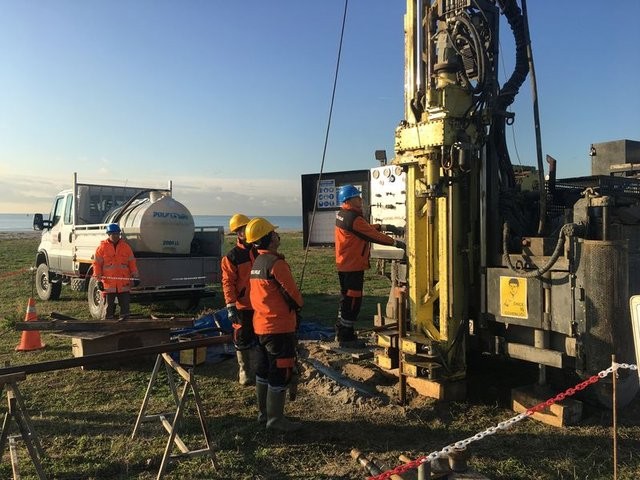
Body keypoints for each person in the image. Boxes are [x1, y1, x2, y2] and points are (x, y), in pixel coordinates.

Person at [246, 217, 303, 432]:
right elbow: (293, 294)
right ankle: (276, 420)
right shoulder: (276, 264)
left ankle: (264, 414)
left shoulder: (257, 264)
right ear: (269, 239)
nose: (277, 236)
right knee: (280, 371)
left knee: (263, 371)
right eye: (274, 233)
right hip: (279, 328)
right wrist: (299, 306)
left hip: (260, 326)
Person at [334, 184, 406, 347]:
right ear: (349, 200)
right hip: (353, 266)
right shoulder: (353, 218)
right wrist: (396, 242)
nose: (360, 199)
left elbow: (363, 230)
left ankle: (342, 332)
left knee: (346, 299)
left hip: (346, 265)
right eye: (357, 197)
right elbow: (370, 234)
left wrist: (384, 227)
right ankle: (346, 337)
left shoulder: (344, 215)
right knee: (353, 301)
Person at [221, 213, 258, 386]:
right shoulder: (231, 257)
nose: (245, 232)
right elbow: (228, 282)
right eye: (242, 229)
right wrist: (230, 305)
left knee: (262, 336)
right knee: (242, 336)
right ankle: (244, 371)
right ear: (238, 233)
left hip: (261, 303)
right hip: (243, 305)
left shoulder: (259, 251)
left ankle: (260, 367)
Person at [92, 223, 140, 320]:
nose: (115, 236)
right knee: (108, 308)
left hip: (124, 284)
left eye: (117, 234)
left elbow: (132, 263)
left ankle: (125, 326)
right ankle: (107, 326)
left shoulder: (126, 247)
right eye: (113, 234)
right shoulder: (101, 248)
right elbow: (97, 265)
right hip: (109, 285)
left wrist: (135, 277)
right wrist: (98, 280)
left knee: (125, 308)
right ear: (108, 234)